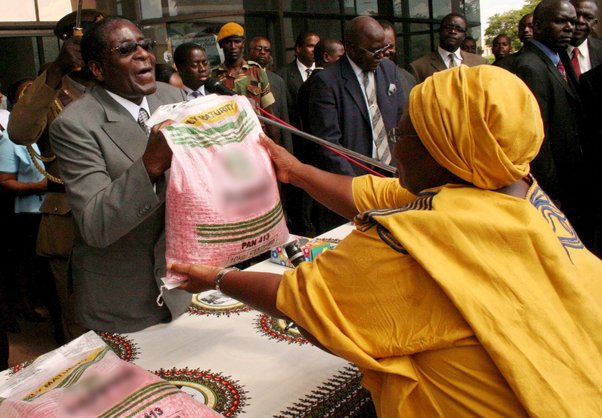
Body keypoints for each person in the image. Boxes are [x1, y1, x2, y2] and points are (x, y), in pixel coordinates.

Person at [169, 65, 602, 417]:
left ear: (444, 148)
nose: (394, 151)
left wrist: (219, 278)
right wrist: (296, 171)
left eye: (403, 136)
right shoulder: (520, 191)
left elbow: (306, 304)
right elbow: (371, 194)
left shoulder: (410, 243)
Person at [48, 16, 191, 333]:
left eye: (145, 45)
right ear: (98, 69)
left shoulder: (172, 97)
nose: (143, 55)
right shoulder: (75, 125)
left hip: (180, 284)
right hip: (122, 300)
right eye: (126, 49)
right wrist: (150, 165)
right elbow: (95, 225)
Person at [7, 9, 104, 343]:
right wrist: (56, 70)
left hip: (125, 222)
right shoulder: (49, 89)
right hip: (71, 225)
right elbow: (20, 132)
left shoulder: (121, 86)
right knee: (81, 326)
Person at [505, 0, 591, 248]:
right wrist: (548, 195)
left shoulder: (557, 59)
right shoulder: (530, 66)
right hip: (551, 193)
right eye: (560, 21)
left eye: (572, 22)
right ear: (539, 26)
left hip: (570, 185)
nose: (569, 27)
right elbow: (536, 139)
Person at [276, 31, 320, 236]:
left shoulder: (323, 74)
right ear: (298, 49)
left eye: (316, 46)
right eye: (310, 46)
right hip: (295, 143)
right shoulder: (283, 76)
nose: (314, 50)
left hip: (317, 144)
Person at [211, 22, 280, 143]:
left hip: (257, 137)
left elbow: (268, 112)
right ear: (221, 45)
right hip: (229, 139)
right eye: (228, 42)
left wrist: (276, 145)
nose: (233, 46)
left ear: (243, 44)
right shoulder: (214, 76)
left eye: (237, 41)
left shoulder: (256, 72)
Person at [410, 13, 488, 83]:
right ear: (440, 31)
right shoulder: (419, 67)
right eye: (448, 27)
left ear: (464, 36)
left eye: (459, 29)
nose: (453, 31)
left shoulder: (481, 63)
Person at [248, 36, 292, 153]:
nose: (262, 52)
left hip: (275, 141)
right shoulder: (241, 77)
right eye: (258, 48)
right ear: (250, 51)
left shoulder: (278, 80)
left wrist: (287, 149)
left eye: (266, 50)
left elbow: (284, 116)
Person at [378, 20, 417, 108]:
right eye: (382, 46)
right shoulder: (363, 79)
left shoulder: (408, 78)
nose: (387, 51)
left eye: (391, 46)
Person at [567, 0, 602, 76]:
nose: (580, 20)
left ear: (594, 23)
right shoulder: (552, 51)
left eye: (588, 17)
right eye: (576, 15)